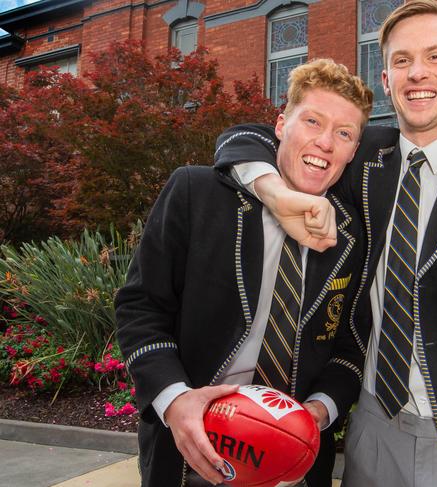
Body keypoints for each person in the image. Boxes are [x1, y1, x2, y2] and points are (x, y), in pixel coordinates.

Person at [212, 1, 437, 486]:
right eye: (402, 60)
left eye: (435, 56)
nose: (417, 73)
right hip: (371, 430)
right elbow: (249, 138)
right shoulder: (362, 161)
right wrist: (273, 191)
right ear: (385, 79)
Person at [115, 58, 374, 487]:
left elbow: (351, 346)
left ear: (352, 150)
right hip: (190, 449)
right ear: (280, 125)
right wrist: (175, 402)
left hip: (295, 464)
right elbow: (141, 309)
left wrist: (317, 413)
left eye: (344, 134)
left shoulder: (350, 236)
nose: (326, 142)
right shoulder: (195, 193)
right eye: (312, 121)